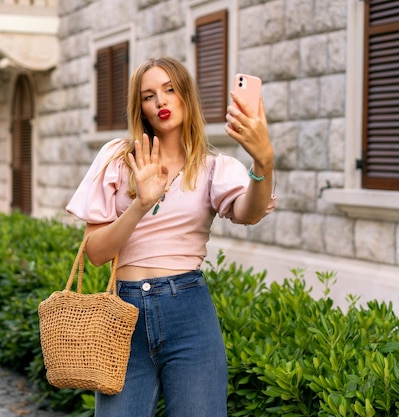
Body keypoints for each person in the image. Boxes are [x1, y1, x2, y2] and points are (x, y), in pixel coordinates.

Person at [65, 56, 276, 417]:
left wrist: (264, 163)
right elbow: (95, 254)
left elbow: (250, 213)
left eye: (170, 90)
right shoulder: (118, 159)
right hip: (123, 315)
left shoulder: (213, 168)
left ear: (186, 96)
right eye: (149, 96)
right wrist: (140, 204)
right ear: (141, 108)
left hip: (189, 312)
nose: (161, 101)